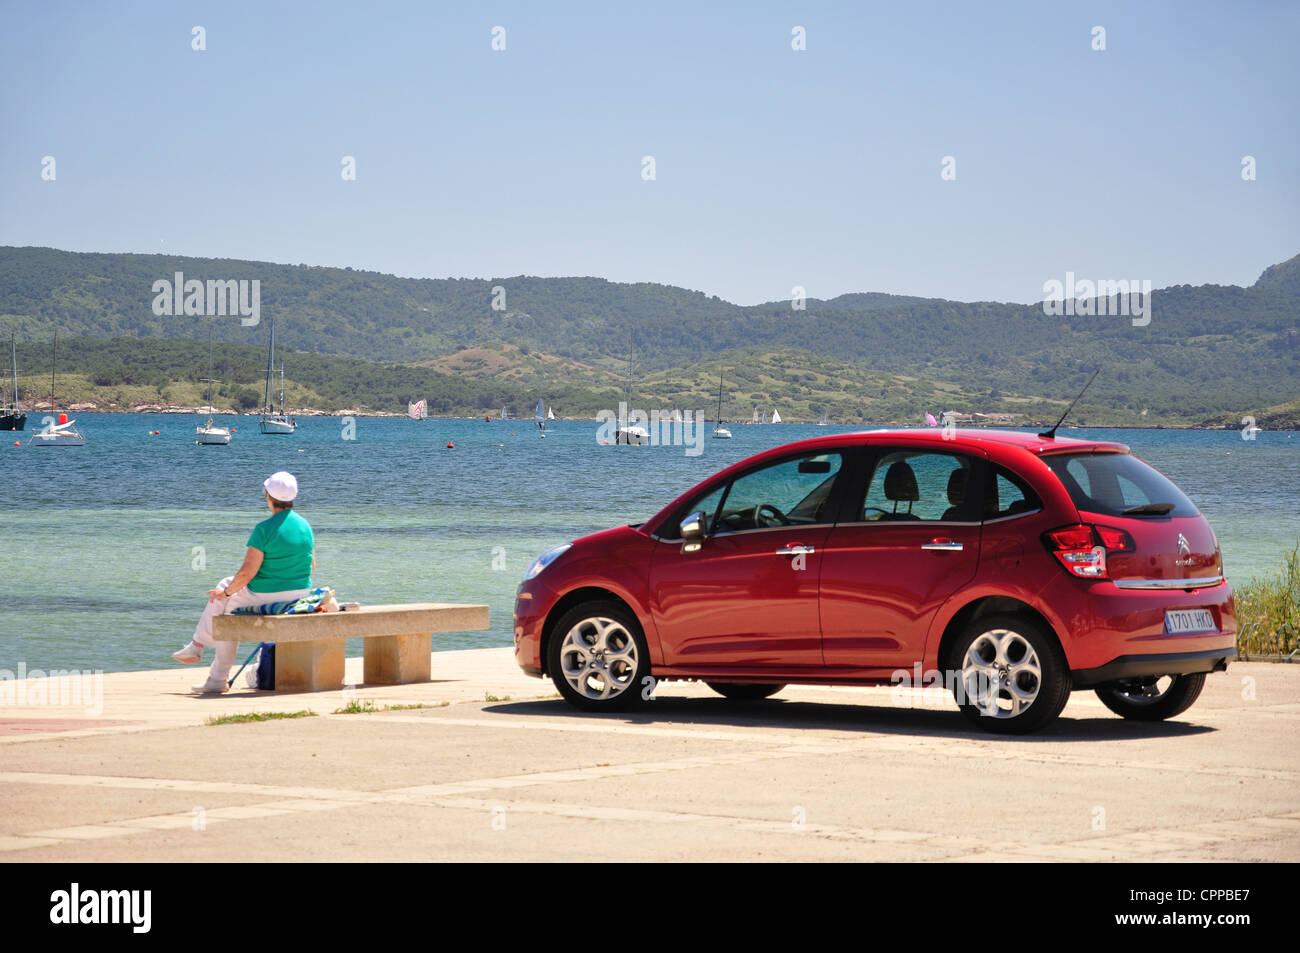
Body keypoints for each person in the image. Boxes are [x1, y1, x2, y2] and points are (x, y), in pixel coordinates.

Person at [173, 471, 315, 693]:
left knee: (226, 612)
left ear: (268, 495)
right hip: (299, 593)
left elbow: (247, 573)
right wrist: (228, 590)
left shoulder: (264, 529)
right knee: (224, 586)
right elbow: (312, 567)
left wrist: (227, 594)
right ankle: (197, 646)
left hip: (264, 595)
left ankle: (216, 676)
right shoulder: (305, 526)